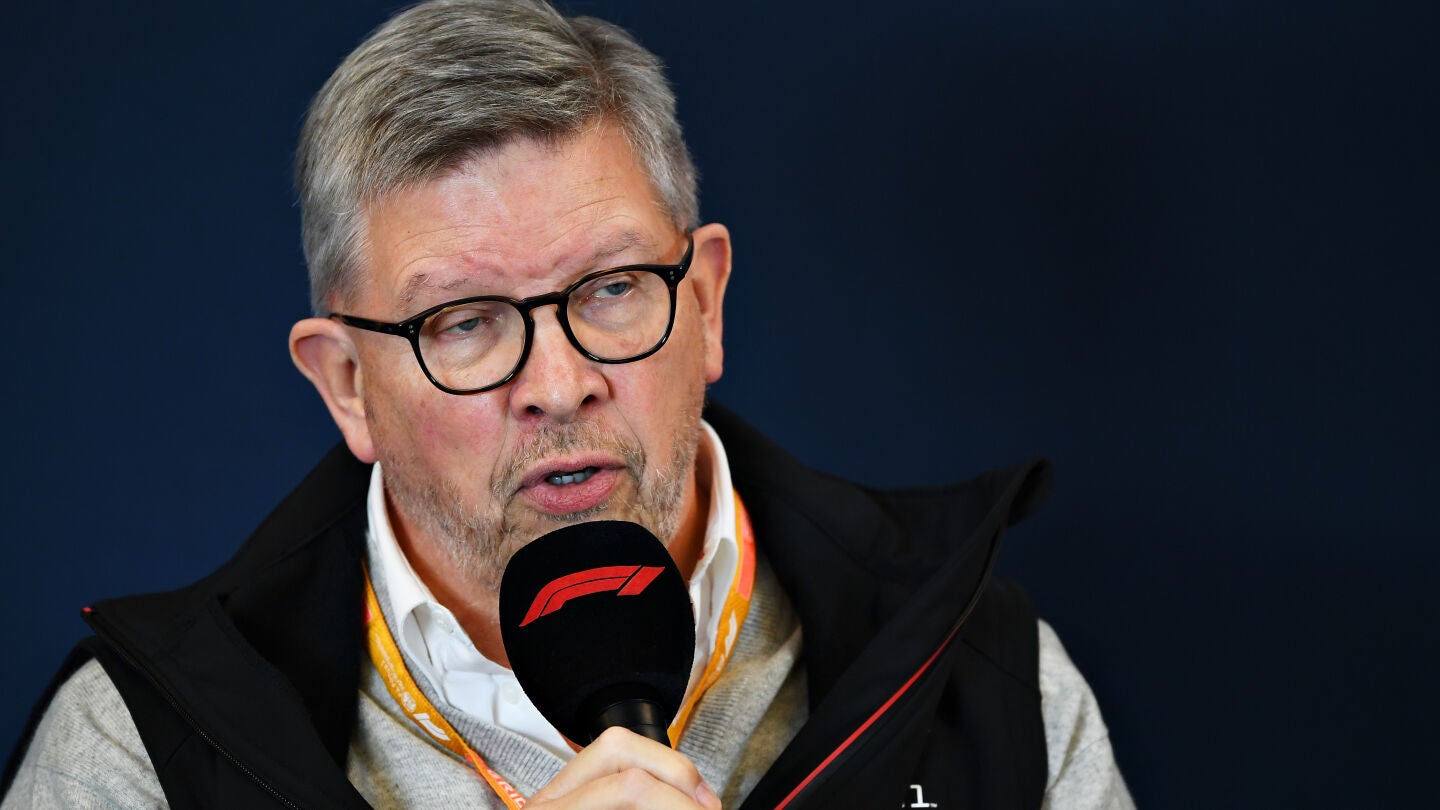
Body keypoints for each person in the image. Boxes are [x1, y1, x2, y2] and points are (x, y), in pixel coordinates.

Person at [2, 1, 1132, 807]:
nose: (557, 385)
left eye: (613, 288)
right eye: (464, 322)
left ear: (707, 303)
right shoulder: (144, 749)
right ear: (348, 384)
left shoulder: (987, 682)